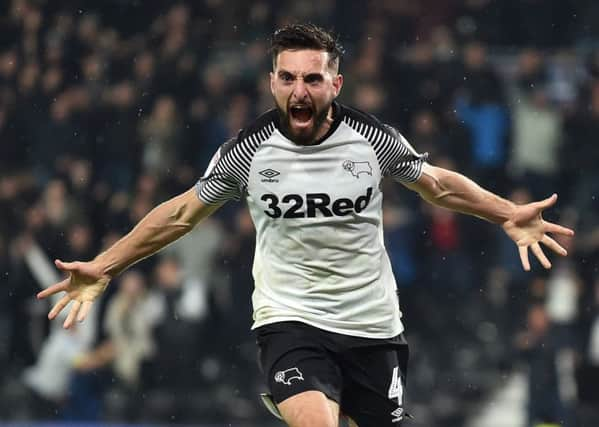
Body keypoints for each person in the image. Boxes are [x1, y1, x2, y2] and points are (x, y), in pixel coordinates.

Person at [38, 24, 574, 427]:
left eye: (313, 78)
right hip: (290, 319)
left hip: (372, 324)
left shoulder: (372, 141)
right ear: (272, 82)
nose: (300, 90)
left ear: (334, 83)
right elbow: (180, 214)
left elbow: (435, 185)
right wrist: (105, 266)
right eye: (288, 78)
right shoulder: (246, 153)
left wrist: (507, 212)